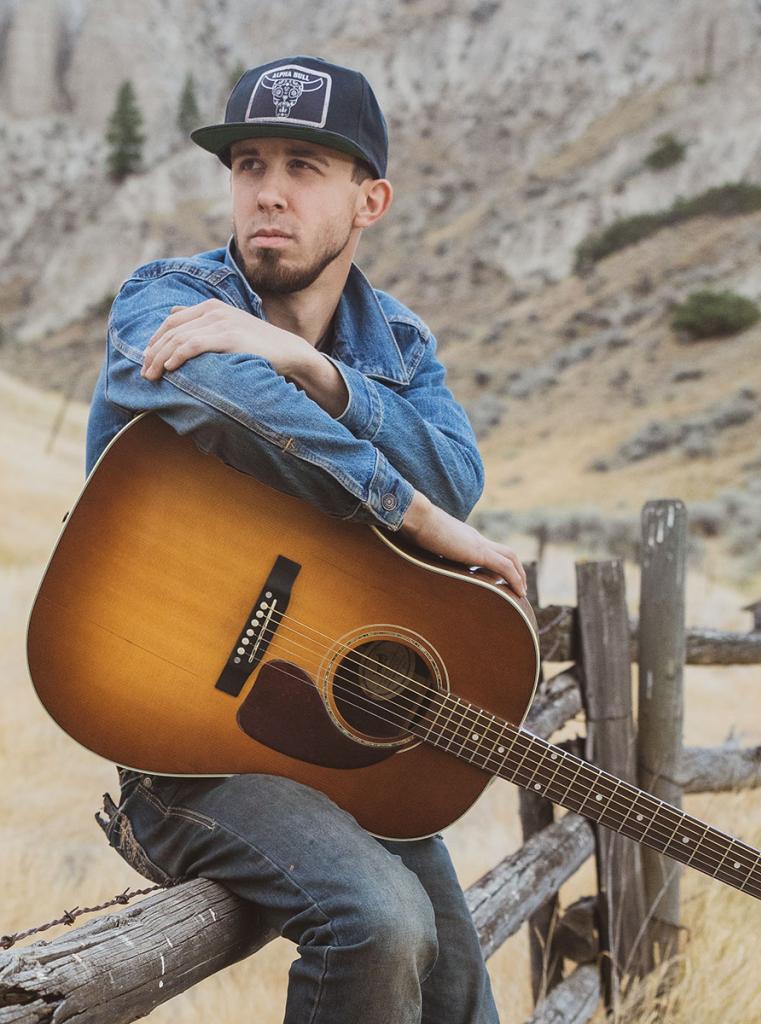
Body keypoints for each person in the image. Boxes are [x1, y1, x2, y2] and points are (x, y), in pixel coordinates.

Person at [83, 55, 519, 1024]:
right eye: (248, 164)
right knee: (380, 920)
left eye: (303, 167)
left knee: (455, 983)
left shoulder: (398, 345)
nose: (266, 193)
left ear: (371, 200)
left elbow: (455, 474)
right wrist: (405, 510)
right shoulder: (164, 298)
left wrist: (311, 367)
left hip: (324, 742)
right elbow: (230, 402)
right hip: (183, 747)